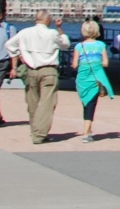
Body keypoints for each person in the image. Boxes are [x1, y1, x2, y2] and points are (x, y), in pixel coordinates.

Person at [5, 11, 71, 144]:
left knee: (32, 102)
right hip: (49, 70)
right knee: (46, 103)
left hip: (31, 69)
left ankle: (35, 129)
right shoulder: (52, 33)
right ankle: (39, 134)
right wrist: (59, 28)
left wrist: (21, 54)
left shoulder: (25, 32)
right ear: (48, 20)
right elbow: (65, 44)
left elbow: (9, 45)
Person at [73, 19, 117, 140]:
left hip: (82, 79)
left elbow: (74, 65)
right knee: (91, 104)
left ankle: (89, 130)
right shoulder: (101, 45)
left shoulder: (79, 46)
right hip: (96, 77)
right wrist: (96, 63)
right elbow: (106, 63)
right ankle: (86, 134)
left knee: (86, 103)